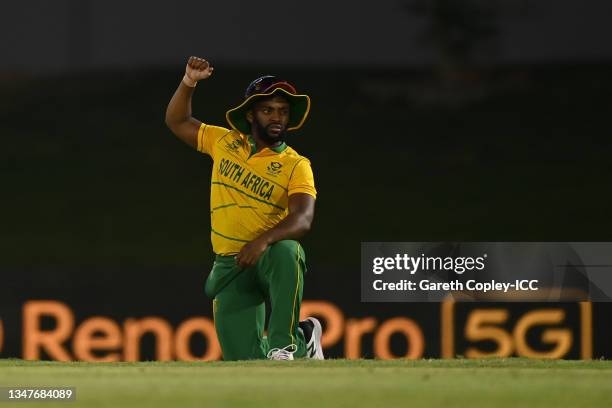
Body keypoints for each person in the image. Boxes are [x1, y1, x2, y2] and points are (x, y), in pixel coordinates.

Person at [165, 56, 324, 361]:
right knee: (244, 359)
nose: (276, 117)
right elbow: (177, 121)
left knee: (288, 250)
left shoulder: (296, 164)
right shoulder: (224, 142)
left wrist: (262, 241)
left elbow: (302, 219)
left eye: (283, 111)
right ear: (251, 115)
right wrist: (189, 82)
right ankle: (306, 341)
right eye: (268, 110)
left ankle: (284, 345)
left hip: (267, 256)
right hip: (230, 263)